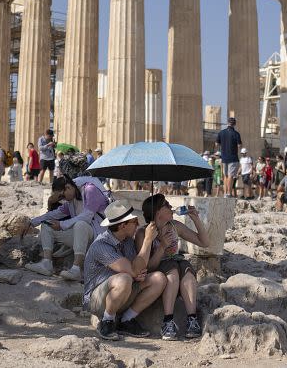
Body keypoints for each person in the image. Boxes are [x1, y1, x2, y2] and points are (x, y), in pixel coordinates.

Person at [83, 201, 166, 341]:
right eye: (134, 221)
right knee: (124, 279)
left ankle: (126, 320)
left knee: (159, 279)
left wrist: (137, 273)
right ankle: (107, 321)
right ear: (123, 225)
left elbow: (138, 268)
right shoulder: (101, 245)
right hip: (97, 300)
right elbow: (133, 271)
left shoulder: (127, 241)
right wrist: (147, 241)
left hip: (122, 292)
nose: (138, 224)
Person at [137, 194, 209, 340]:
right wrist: (162, 246)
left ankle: (192, 319)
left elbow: (204, 242)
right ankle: (168, 321)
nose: (171, 207)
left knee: (187, 270)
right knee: (173, 271)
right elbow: (147, 267)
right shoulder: (143, 233)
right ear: (158, 212)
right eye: (166, 205)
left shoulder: (174, 226)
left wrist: (195, 219)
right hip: (160, 272)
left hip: (177, 264)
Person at [24, 176, 96, 281]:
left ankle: (76, 269)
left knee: (80, 224)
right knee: (47, 224)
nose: (62, 199)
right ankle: (46, 263)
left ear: (68, 187)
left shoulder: (90, 191)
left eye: (62, 195)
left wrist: (62, 224)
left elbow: (87, 216)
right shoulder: (70, 203)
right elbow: (52, 215)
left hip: (95, 236)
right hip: (79, 238)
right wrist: (32, 222)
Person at [215, 117, 242, 199]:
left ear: (227, 123)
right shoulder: (236, 133)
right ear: (234, 124)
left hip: (224, 157)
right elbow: (239, 146)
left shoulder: (221, 133)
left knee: (225, 176)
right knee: (230, 176)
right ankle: (229, 193)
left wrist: (223, 146)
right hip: (233, 157)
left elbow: (216, 144)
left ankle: (225, 193)